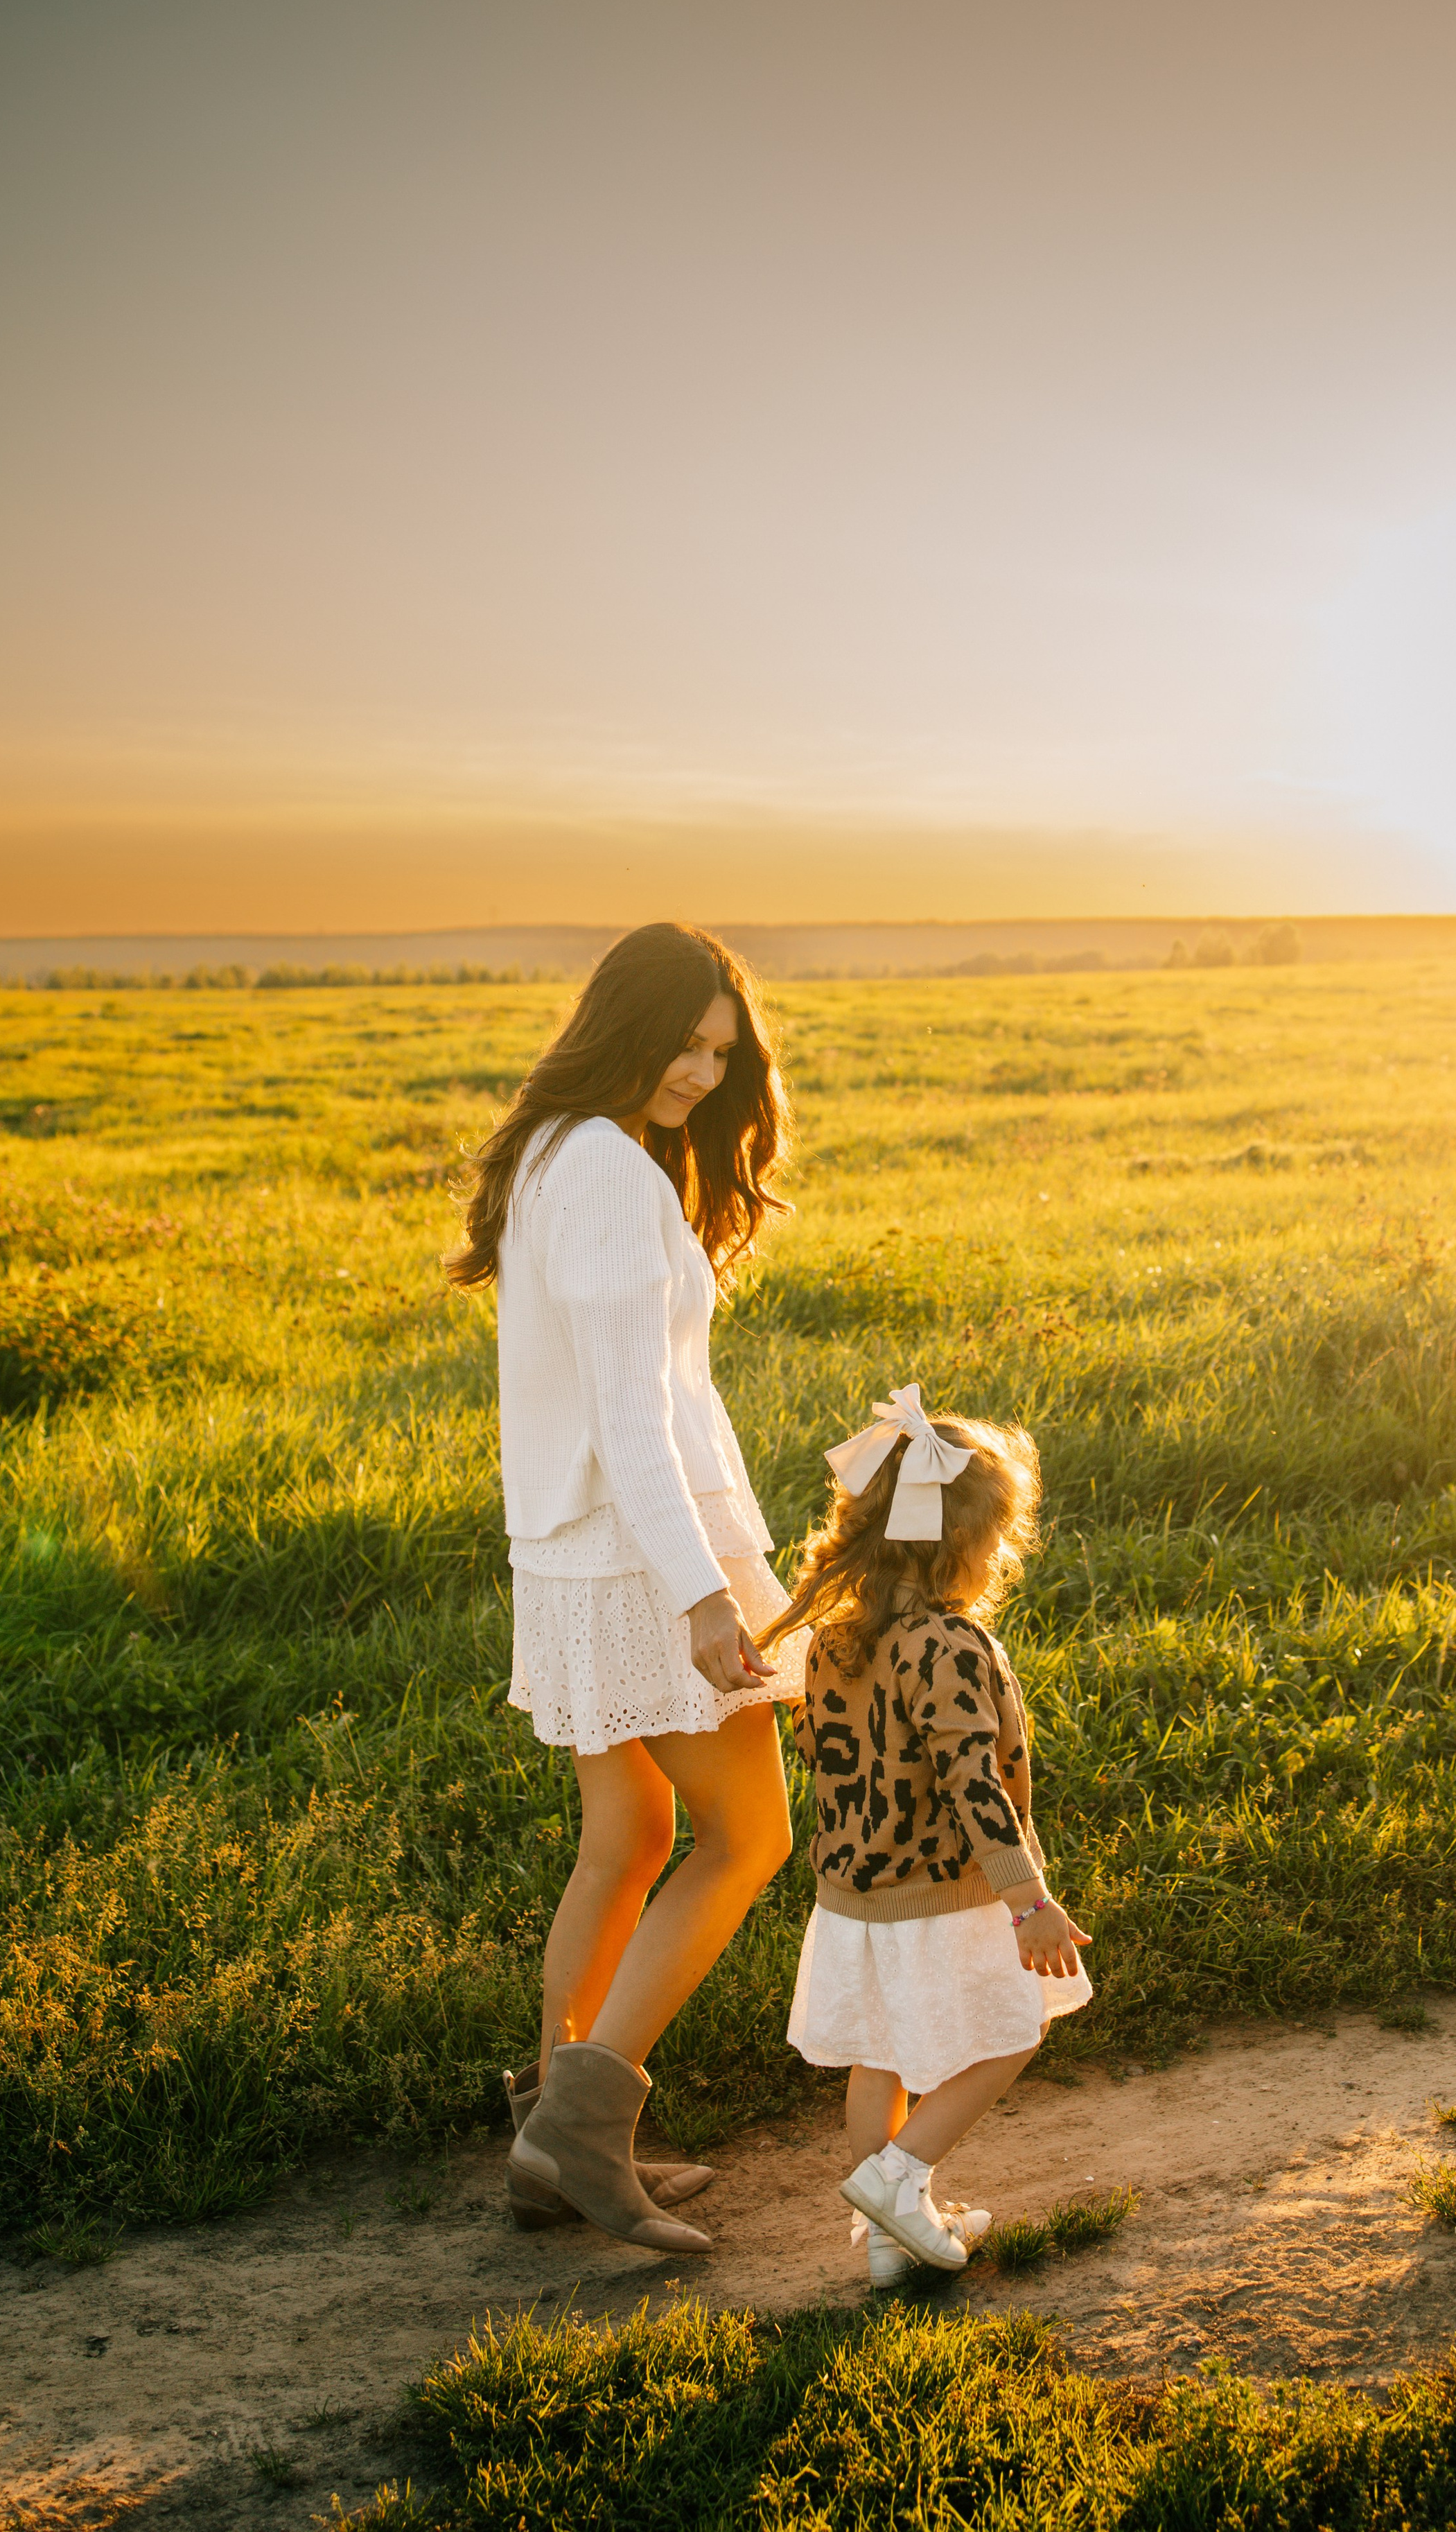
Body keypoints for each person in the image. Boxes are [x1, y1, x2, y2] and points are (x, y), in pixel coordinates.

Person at [446, 920, 803, 2255]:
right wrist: (704, 1593)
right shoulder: (598, 1167)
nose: (706, 1072)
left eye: (724, 1051)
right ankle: (584, 2133)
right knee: (748, 1837)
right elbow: (630, 1413)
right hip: (641, 1560)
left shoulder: (562, 1152)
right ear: (624, 1023)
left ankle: (554, 2130)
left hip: (581, 1554)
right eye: (687, 1042)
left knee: (631, 1841)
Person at [763, 1386, 1091, 2282]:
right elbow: (971, 1783)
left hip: (852, 1895)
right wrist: (1032, 1905)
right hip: (943, 1889)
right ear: (966, 1548)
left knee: (880, 2055)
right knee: (1014, 2030)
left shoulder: (833, 1639)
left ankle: (886, 2242)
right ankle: (901, 2181)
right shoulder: (947, 1645)